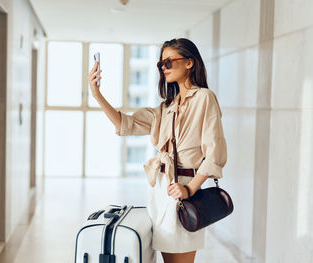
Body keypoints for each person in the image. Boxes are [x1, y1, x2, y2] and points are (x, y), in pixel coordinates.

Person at [88, 38, 227, 263]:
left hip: (184, 191)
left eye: (169, 62)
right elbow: (126, 124)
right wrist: (96, 94)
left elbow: (215, 153)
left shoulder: (205, 98)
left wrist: (190, 189)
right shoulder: (165, 108)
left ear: (190, 63)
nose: (164, 68)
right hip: (161, 191)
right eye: (161, 64)